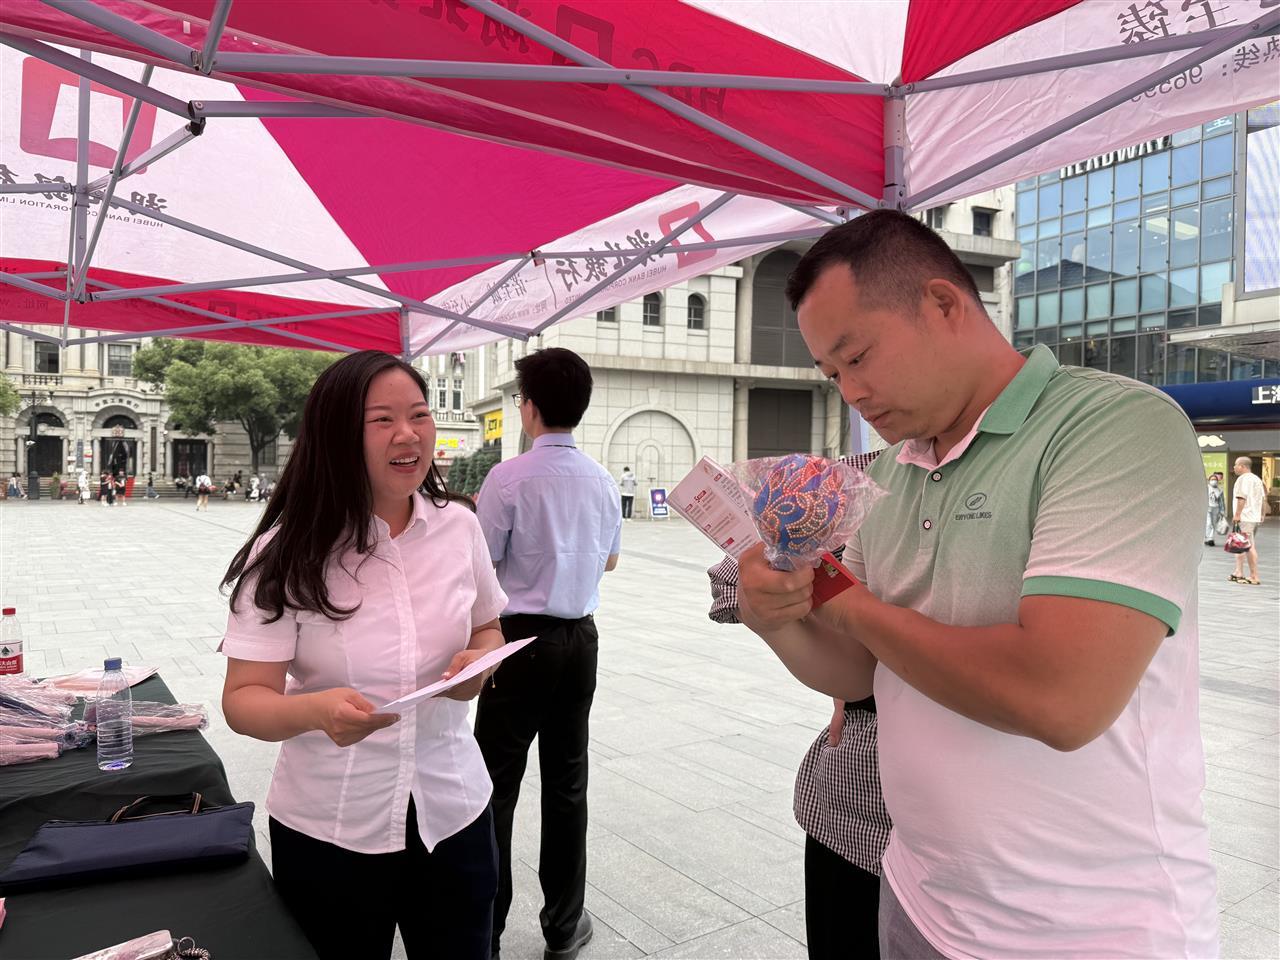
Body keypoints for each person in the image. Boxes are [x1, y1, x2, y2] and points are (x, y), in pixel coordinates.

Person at [735, 211, 1217, 958]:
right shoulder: (888, 475)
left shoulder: (1113, 427)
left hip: (1089, 930)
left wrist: (846, 603)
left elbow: (1061, 698)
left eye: (858, 356)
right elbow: (859, 674)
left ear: (943, 303)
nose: (851, 391)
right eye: (833, 376)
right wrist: (777, 617)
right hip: (917, 895)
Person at [218, 350, 506, 960]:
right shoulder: (286, 554)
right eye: (382, 420)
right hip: (331, 826)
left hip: (452, 810)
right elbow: (243, 701)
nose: (408, 435)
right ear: (336, 437)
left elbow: (489, 628)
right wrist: (315, 710)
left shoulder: (460, 527)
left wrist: (477, 666)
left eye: (419, 415)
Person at [707, 451, 888, 960]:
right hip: (858, 811)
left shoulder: (1067, 449)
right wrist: (772, 598)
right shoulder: (862, 476)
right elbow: (733, 577)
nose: (861, 406)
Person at [474, 348, 621, 960]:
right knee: (567, 782)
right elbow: (610, 560)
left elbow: (480, 565)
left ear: (529, 407)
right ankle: (564, 926)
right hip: (579, 639)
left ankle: (486, 926)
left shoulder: (507, 478)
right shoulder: (603, 479)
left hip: (518, 641)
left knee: (494, 783)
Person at [1229, 456, 1266, 586]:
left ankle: (1254, 576)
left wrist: (1237, 514)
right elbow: (1263, 498)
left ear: (1242, 466)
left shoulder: (1242, 479)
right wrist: (1262, 514)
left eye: (1236, 465)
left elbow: (1241, 498)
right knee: (1239, 544)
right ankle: (1238, 572)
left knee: (1249, 546)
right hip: (1253, 517)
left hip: (1245, 517)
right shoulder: (1257, 479)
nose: (1234, 467)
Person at [1206, 472, 1226, 546]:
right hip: (1207, 508)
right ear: (1209, 480)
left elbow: (1221, 501)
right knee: (1209, 523)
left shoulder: (1220, 490)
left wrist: (1222, 511)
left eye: (1215, 479)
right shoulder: (1206, 488)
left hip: (1216, 508)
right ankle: (1209, 538)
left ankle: (1210, 538)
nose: (1213, 481)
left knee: (1213, 524)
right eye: (1212, 479)